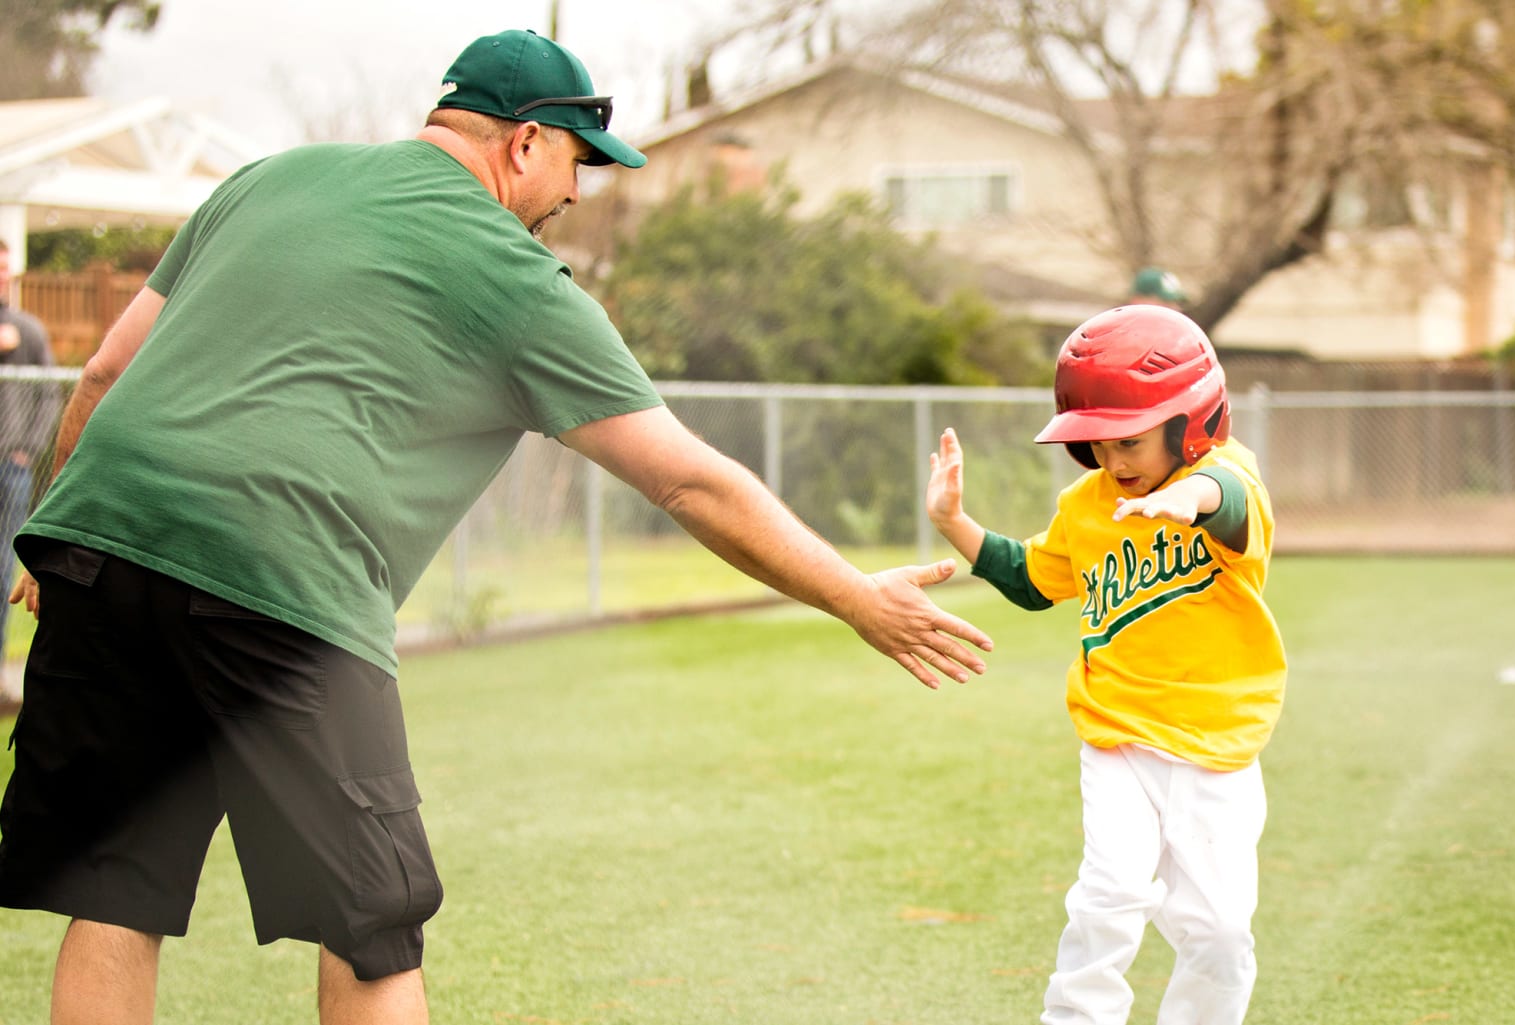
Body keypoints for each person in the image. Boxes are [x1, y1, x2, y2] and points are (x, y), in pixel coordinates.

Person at [0, 29, 993, 1025]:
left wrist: (60, 538)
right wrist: (859, 596)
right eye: (576, 162)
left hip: (98, 547)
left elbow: (104, 371)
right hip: (284, 581)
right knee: (372, 928)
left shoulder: (267, 180)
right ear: (525, 144)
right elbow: (691, 480)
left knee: (115, 889)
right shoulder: (513, 277)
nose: (577, 193)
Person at [925, 304, 1286, 1025]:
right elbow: (1033, 579)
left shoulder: (1227, 476)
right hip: (1116, 732)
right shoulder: (1088, 504)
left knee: (1217, 929)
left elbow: (1231, 501)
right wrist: (954, 524)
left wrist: (1185, 496)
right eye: (1096, 444)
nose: (1114, 462)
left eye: (1130, 441)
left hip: (1219, 742)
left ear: (1192, 422)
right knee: (1108, 894)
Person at [0, 240, 59, 697]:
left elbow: (51, 392)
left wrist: (30, 448)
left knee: (6, 565)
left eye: (5, 271)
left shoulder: (30, 329)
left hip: (12, 465)